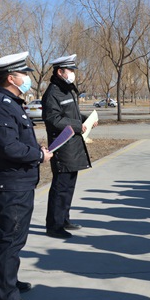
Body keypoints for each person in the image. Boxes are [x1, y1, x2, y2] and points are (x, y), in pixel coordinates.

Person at [0, 51, 53, 300]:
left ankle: (8, 283)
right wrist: (38, 155)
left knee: (15, 239)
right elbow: (7, 147)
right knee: (8, 240)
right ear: (11, 77)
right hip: (9, 184)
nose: (27, 79)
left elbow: (16, 141)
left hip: (18, 182)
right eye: (24, 75)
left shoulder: (11, 102)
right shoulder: (1, 104)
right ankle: (5, 299)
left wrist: (36, 148)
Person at [42, 54, 97, 239]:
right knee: (60, 187)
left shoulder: (67, 90)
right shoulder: (53, 93)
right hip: (62, 146)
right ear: (60, 72)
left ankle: (63, 219)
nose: (73, 74)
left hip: (73, 146)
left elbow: (71, 114)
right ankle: (54, 226)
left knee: (69, 186)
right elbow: (53, 119)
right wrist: (76, 126)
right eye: (70, 70)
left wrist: (86, 120)